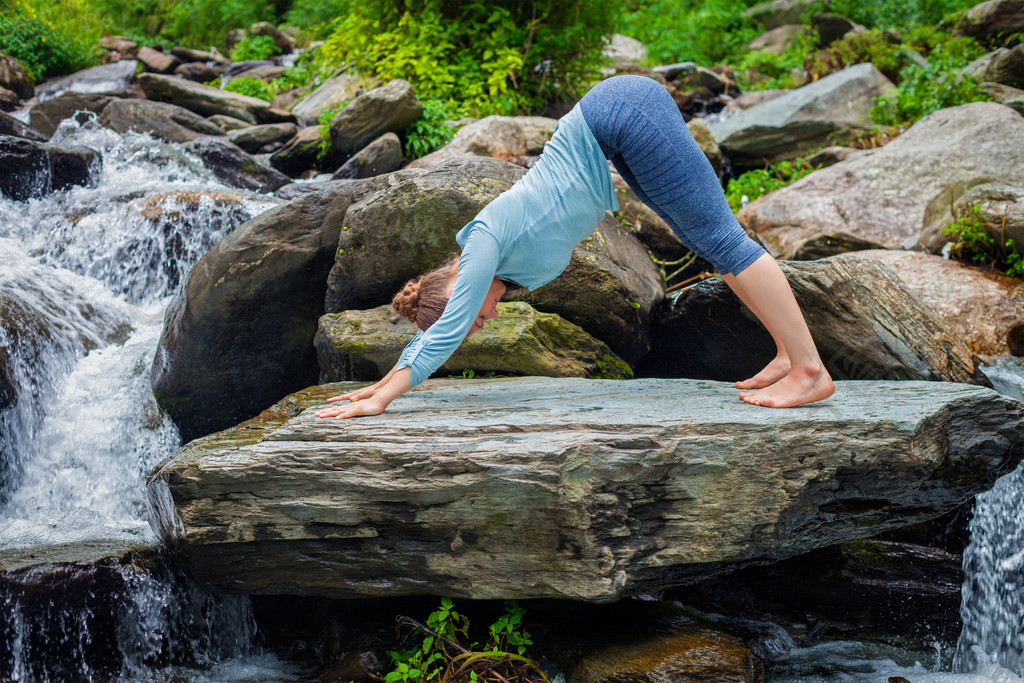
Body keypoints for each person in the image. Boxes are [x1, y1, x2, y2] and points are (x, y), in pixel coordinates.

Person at [315, 75, 834, 420]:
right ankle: (789, 353)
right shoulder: (515, 271)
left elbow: (445, 333)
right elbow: (451, 321)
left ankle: (810, 370)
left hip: (620, 112)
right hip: (615, 132)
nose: (482, 320)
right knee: (713, 245)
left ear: (456, 290)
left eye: (471, 316)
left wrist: (383, 394)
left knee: (723, 240)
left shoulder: (482, 244)